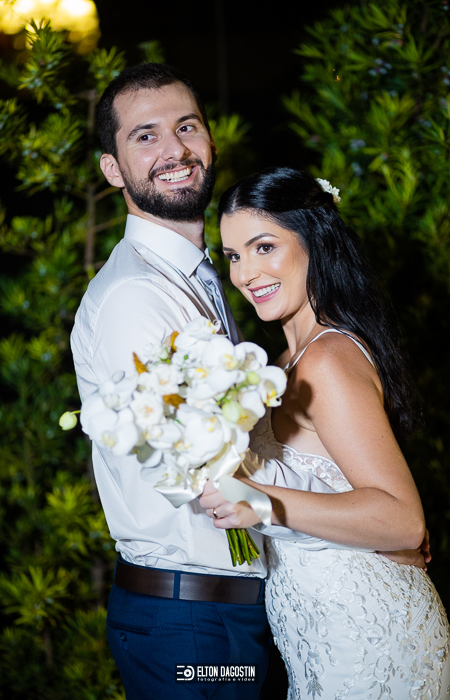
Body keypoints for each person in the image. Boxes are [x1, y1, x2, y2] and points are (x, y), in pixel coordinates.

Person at [200, 167, 450, 699]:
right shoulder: (281, 365)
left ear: (313, 241)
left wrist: (259, 501)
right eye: (234, 256)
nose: (246, 273)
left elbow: (403, 521)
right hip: (314, 632)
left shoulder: (328, 360)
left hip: (367, 634)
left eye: (264, 247)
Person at [70, 63, 272, 699]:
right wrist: (351, 523)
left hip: (220, 610)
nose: (175, 151)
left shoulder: (197, 275)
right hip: (191, 624)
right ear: (112, 170)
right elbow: (193, 473)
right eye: (146, 136)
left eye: (187, 127)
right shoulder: (135, 294)